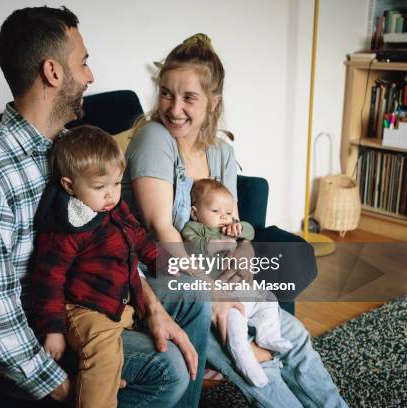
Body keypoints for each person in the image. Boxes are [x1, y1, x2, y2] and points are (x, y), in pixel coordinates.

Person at [0, 6, 208, 407]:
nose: (90, 76)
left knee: (190, 296)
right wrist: (68, 389)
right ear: (52, 72)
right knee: (164, 369)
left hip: (81, 295)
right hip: (28, 331)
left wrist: (152, 305)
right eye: (83, 63)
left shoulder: (73, 150)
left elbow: (117, 234)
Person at [122, 33, 348, 406]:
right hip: (163, 277)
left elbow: (231, 230)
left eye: (189, 97)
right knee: (254, 360)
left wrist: (240, 269)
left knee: (294, 339)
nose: (174, 108)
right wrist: (217, 295)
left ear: (213, 102)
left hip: (213, 273)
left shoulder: (222, 153)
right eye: (166, 93)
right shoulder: (153, 139)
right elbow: (160, 232)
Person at [33, 125, 162, 408]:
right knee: (104, 354)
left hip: (116, 301)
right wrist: (53, 329)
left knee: (182, 301)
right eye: (99, 187)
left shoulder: (113, 207)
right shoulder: (67, 227)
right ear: (70, 186)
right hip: (82, 308)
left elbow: (138, 237)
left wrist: (161, 261)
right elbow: (48, 280)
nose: (111, 195)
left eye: (116, 184)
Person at [182, 178, 292, 388]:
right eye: (215, 211)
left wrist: (239, 227)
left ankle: (269, 335)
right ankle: (244, 359)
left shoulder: (229, 226)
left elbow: (249, 232)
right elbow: (193, 246)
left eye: (228, 212)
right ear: (195, 213)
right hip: (220, 291)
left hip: (241, 286)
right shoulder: (194, 229)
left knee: (268, 299)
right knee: (234, 320)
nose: (224, 217)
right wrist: (223, 242)